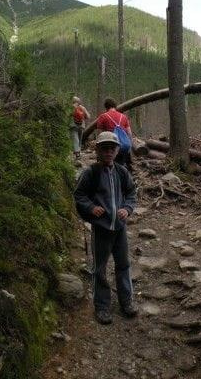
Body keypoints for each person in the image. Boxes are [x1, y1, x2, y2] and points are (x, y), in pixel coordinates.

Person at [74, 131, 138, 325]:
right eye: (105, 148)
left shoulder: (122, 172)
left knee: (123, 264)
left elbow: (131, 193)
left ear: (117, 150)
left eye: (112, 148)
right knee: (100, 268)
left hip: (119, 228)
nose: (109, 152)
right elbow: (79, 195)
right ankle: (102, 306)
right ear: (98, 150)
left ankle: (126, 301)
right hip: (101, 229)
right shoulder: (90, 173)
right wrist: (91, 208)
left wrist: (127, 209)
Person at [96, 97, 132, 170]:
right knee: (121, 167)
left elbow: (100, 135)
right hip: (123, 146)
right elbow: (129, 133)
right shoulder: (123, 116)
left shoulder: (103, 117)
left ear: (106, 107)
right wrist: (129, 146)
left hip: (110, 147)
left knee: (109, 168)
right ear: (115, 106)